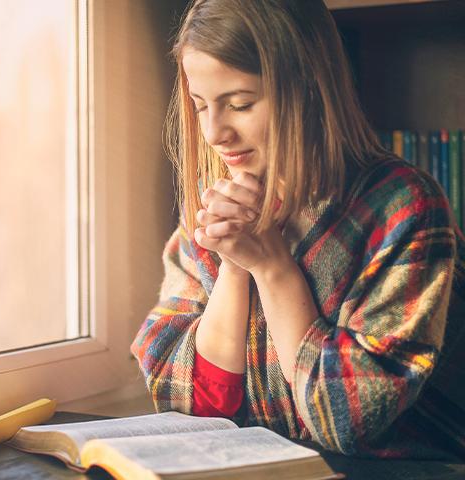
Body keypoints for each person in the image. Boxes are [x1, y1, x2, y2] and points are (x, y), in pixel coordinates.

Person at [131, 0, 465, 460]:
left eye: (240, 104)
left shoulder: (404, 209)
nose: (214, 132)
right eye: (200, 104)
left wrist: (271, 267)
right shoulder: (213, 208)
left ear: (308, 88)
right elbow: (188, 405)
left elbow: (346, 418)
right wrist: (234, 266)